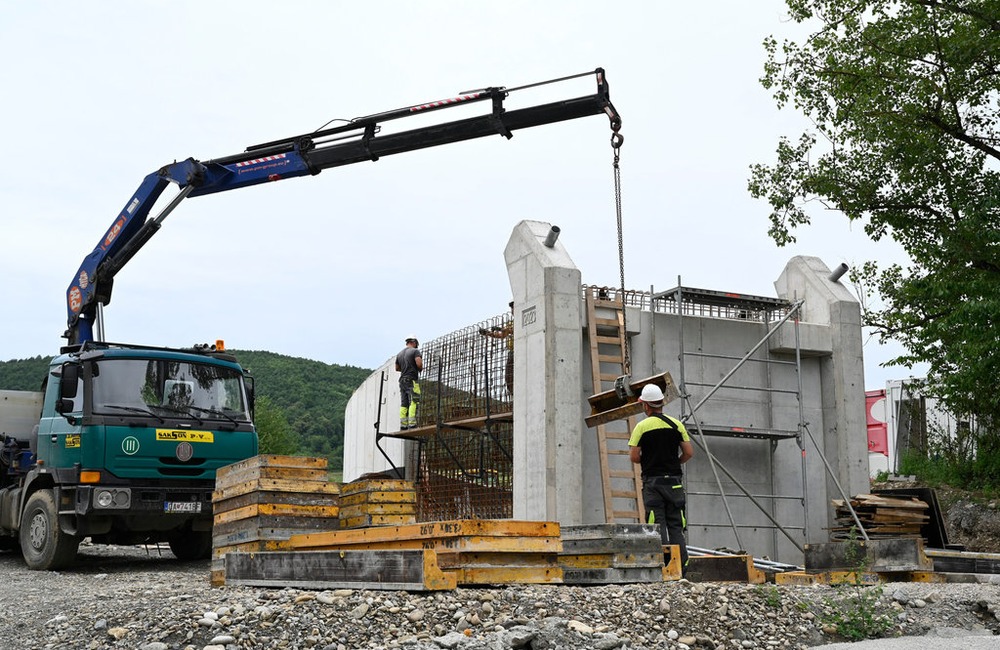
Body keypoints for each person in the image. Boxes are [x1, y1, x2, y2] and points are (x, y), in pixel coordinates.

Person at [628, 383, 695, 574]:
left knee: (657, 525)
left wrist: (650, 462)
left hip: (653, 483)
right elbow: (689, 452)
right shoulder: (676, 424)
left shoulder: (641, 426)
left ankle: (664, 567)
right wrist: (674, 463)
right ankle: (682, 567)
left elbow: (634, 457)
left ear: (646, 406)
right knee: (676, 525)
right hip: (674, 482)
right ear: (660, 403)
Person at [479, 301, 514, 397]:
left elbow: (513, 330)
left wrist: (504, 330)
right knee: (509, 376)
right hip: (512, 352)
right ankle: (513, 395)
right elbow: (503, 335)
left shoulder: (520, 321)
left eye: (514, 307)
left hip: (520, 350)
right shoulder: (510, 323)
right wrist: (489, 333)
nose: (512, 310)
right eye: (512, 308)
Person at [395, 335, 423, 430]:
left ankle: (403, 425)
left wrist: (405, 368)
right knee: (414, 400)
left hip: (402, 381)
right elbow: (419, 364)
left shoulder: (399, 354)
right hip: (412, 380)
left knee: (404, 403)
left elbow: (397, 368)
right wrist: (419, 368)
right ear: (414, 342)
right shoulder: (415, 351)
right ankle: (412, 424)